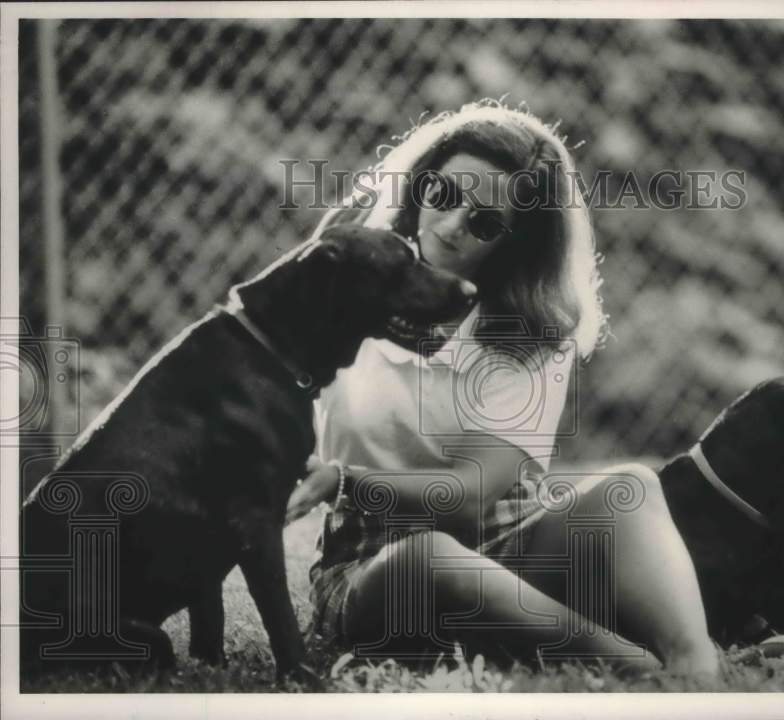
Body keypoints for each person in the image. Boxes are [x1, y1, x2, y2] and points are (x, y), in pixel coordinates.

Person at [285, 101, 718, 678]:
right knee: (429, 557)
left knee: (633, 486)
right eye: (443, 195)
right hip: (375, 566)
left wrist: (345, 480)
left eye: (485, 222)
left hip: (509, 547)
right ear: (419, 185)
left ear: (517, 243)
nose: (450, 225)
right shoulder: (343, 273)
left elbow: (469, 496)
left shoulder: (531, 327)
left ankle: (696, 667)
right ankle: (638, 671)